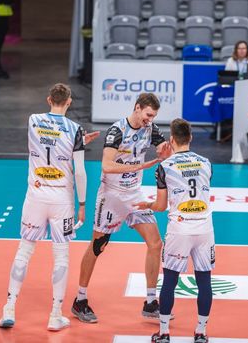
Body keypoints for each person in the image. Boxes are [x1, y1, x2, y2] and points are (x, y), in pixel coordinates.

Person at [0, 83, 100, 331]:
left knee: (24, 251)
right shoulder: (75, 130)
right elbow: (80, 173)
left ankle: (8, 309)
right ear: (69, 102)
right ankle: (55, 315)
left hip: (35, 197)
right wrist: (82, 203)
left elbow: (49, 141)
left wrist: (76, 142)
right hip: (61, 201)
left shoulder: (33, 120)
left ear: (48, 100)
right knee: (61, 256)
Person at [72, 93, 172, 323]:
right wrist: (140, 166)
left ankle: (150, 302)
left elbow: (164, 151)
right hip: (112, 196)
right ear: (137, 108)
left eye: (153, 116)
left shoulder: (150, 129)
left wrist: (166, 153)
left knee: (155, 243)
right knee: (97, 246)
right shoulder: (117, 131)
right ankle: (80, 300)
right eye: (148, 114)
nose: (150, 119)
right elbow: (106, 166)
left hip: (134, 195)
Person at [135, 118, 214, 343]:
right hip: (204, 229)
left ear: (171, 140)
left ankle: (164, 333)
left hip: (180, 229)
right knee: (204, 281)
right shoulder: (206, 163)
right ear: (190, 138)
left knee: (170, 280)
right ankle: (201, 333)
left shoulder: (164, 167)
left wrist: (147, 204)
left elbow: (161, 206)